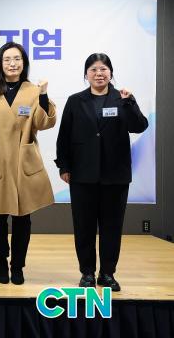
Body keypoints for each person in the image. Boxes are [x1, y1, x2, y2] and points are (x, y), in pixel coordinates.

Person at [55, 53, 148, 292]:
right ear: (86, 74)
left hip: (115, 175)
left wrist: (129, 103)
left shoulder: (122, 98)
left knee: (112, 227)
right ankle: (87, 273)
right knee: (83, 226)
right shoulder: (75, 101)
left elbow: (139, 126)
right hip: (82, 173)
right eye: (94, 69)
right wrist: (64, 166)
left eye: (104, 69)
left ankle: (107, 273)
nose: (99, 73)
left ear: (111, 73)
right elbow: (64, 136)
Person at [0, 42, 56, 285]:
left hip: (23, 162)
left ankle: (18, 265)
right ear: (0, 64)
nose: (12, 64)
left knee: (23, 218)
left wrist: (43, 95)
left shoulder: (33, 90)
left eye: (17, 59)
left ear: (24, 63)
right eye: (7, 59)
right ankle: (1, 261)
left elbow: (44, 123)